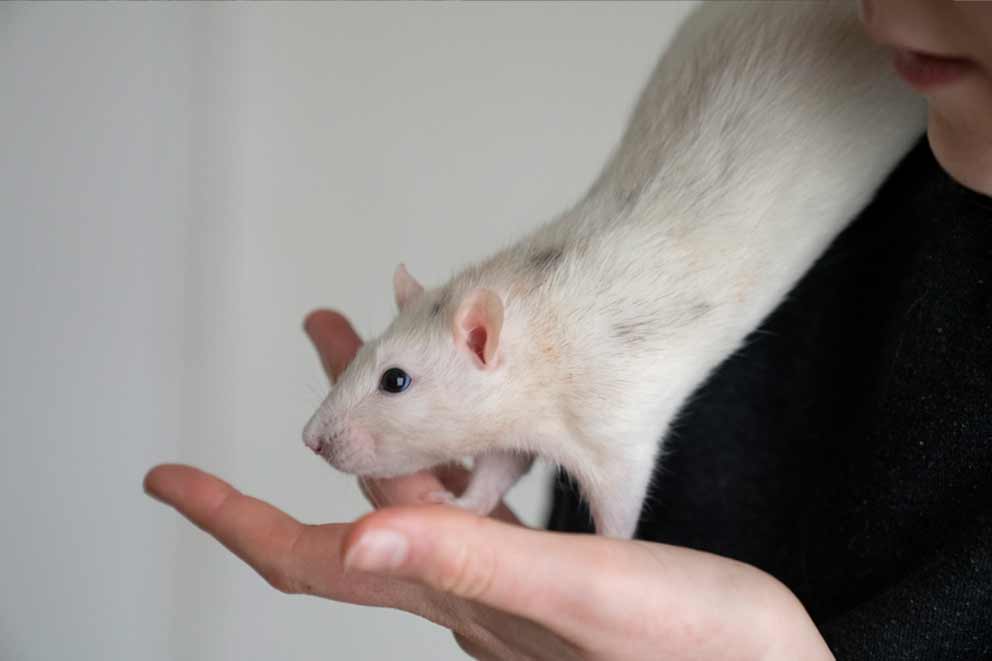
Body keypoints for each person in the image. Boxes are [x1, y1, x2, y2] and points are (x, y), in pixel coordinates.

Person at [144, 2, 991, 658]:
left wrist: (611, 567)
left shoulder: (591, 357)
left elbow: (608, 439)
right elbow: (527, 419)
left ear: (482, 341)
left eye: (395, 381)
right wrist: (479, 500)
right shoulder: (933, 123)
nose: (881, 11)